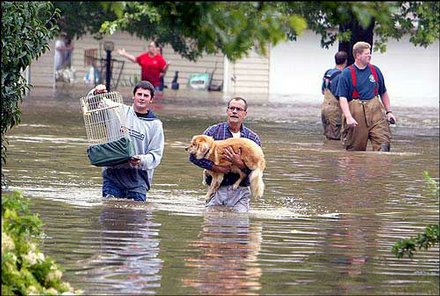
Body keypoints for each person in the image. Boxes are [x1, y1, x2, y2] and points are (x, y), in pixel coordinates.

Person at [89, 81, 165, 202]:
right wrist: (95, 93)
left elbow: (156, 155)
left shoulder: (155, 125)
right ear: (133, 96)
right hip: (113, 175)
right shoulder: (117, 110)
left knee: (136, 218)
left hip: (138, 180)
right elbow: (92, 106)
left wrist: (141, 160)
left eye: (146, 96)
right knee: (110, 215)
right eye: (139, 94)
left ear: (151, 100)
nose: (141, 98)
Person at [189, 97, 262, 212]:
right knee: (211, 227)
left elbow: (257, 168)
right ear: (227, 111)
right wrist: (216, 168)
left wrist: (239, 163)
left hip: (240, 192)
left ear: (245, 114)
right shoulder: (212, 132)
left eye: (238, 109)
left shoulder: (252, 138)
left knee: (239, 225)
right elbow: (193, 157)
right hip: (216, 190)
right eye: (231, 108)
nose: (234, 111)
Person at [335, 41, 397, 151]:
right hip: (356, 114)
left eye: (370, 53)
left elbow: (383, 92)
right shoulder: (346, 73)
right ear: (358, 55)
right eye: (366, 53)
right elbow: (342, 98)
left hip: (376, 113)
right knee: (355, 151)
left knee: (384, 144)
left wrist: (389, 112)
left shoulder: (375, 70)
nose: (370, 56)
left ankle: (379, 167)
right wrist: (348, 117)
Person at [321, 51, 348, 140]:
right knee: (335, 139)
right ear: (346, 61)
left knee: (328, 137)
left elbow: (323, 91)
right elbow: (341, 97)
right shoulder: (341, 76)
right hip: (335, 111)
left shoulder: (328, 73)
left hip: (324, 108)